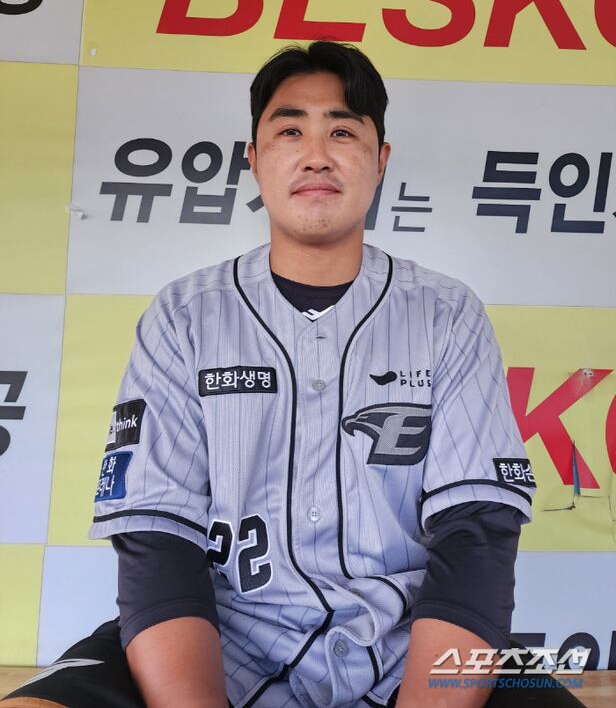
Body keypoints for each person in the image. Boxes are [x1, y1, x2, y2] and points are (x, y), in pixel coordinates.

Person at [3, 42, 587, 708]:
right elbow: (157, 539)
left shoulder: (446, 314)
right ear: (254, 160)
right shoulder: (186, 315)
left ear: (380, 160)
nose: (316, 155)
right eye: (289, 131)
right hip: (223, 639)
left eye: (342, 131)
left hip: (406, 644)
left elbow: (476, 531)